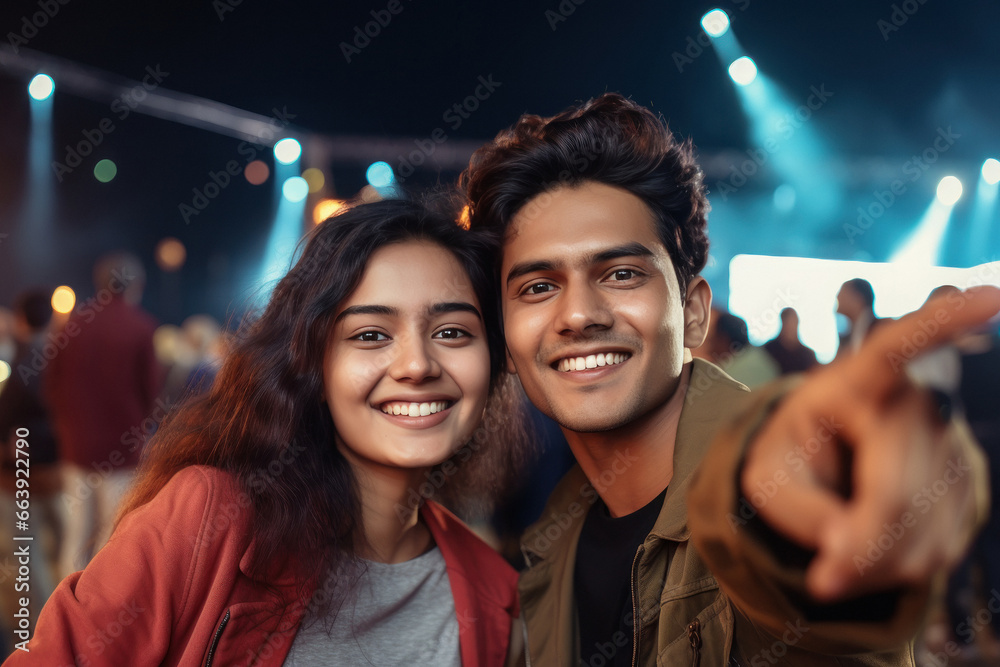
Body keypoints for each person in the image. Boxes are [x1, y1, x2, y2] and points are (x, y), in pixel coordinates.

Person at [460, 92, 998, 665]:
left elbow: (799, 571)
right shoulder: (554, 543)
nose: (578, 314)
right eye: (538, 287)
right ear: (506, 340)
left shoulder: (763, 493)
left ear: (693, 313)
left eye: (620, 273)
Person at [7, 200, 529, 665]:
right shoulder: (210, 518)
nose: (417, 365)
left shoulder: (496, 597)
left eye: (453, 332)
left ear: (495, 361)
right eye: (370, 334)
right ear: (312, 365)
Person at [44, 252, 164, 578]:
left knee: (76, 533)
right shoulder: (141, 328)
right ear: (136, 285)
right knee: (113, 535)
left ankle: (63, 617)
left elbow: (51, 383)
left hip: (75, 447)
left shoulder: (71, 325)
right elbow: (151, 392)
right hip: (121, 452)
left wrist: (68, 423)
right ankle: (99, 613)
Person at [835, 277, 882, 358]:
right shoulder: (846, 337)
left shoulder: (882, 328)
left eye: (843, 293)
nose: (838, 297)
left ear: (857, 297)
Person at [763, 307, 818, 374]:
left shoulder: (808, 355)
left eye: (793, 322)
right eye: (788, 321)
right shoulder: (769, 350)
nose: (790, 326)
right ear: (782, 322)